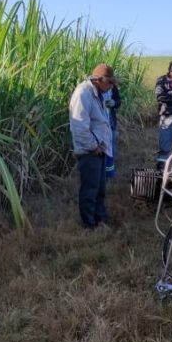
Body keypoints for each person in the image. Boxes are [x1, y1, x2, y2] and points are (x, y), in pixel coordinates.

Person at [69, 63, 116, 228]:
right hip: (89, 151)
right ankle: (89, 225)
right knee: (90, 189)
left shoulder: (98, 92)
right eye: (109, 82)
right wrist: (94, 146)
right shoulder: (83, 94)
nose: (111, 86)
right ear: (98, 79)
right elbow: (79, 127)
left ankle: (100, 219)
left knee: (100, 188)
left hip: (99, 149)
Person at [102, 80, 121, 179]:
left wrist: (114, 103)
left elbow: (118, 101)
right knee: (101, 152)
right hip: (99, 126)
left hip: (111, 124)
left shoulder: (113, 87)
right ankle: (101, 175)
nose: (110, 86)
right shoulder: (94, 89)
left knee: (111, 150)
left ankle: (109, 176)